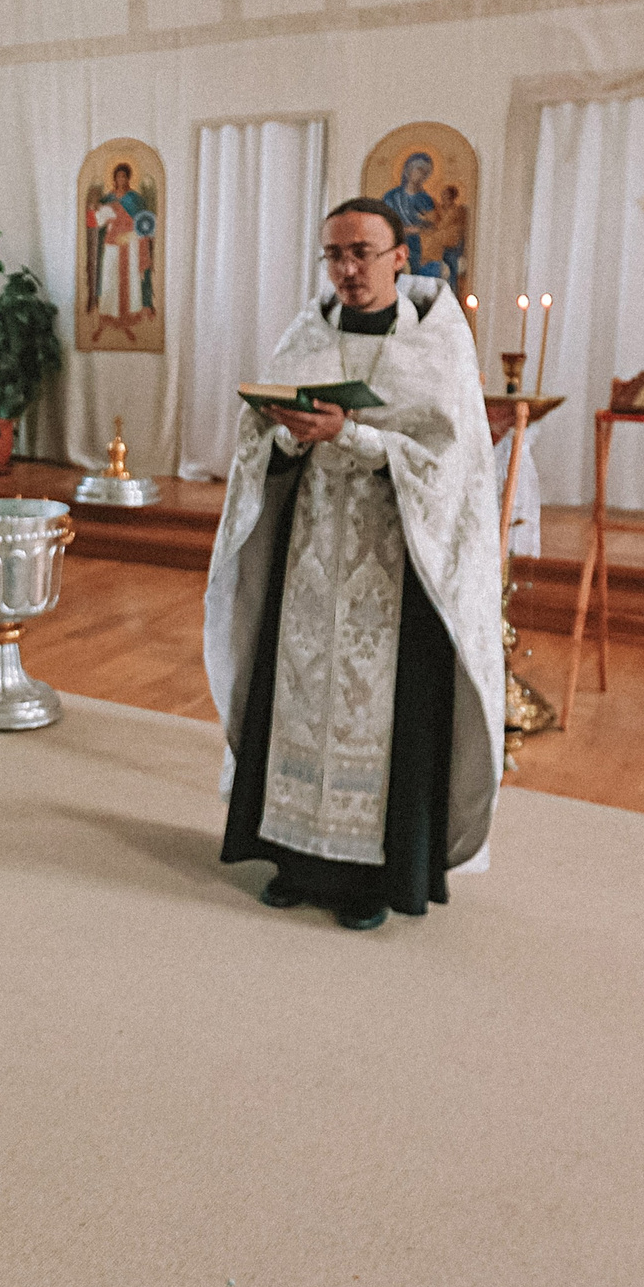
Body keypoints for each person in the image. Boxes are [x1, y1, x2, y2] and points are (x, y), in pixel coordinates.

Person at [204, 197, 504, 930]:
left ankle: (375, 877)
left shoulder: (438, 345)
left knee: (385, 717)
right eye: (334, 254)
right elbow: (254, 449)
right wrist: (289, 436)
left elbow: (452, 467)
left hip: (396, 570)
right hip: (311, 558)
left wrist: (356, 437)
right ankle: (293, 859)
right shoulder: (306, 334)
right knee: (298, 699)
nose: (347, 268)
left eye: (362, 253)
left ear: (401, 257)